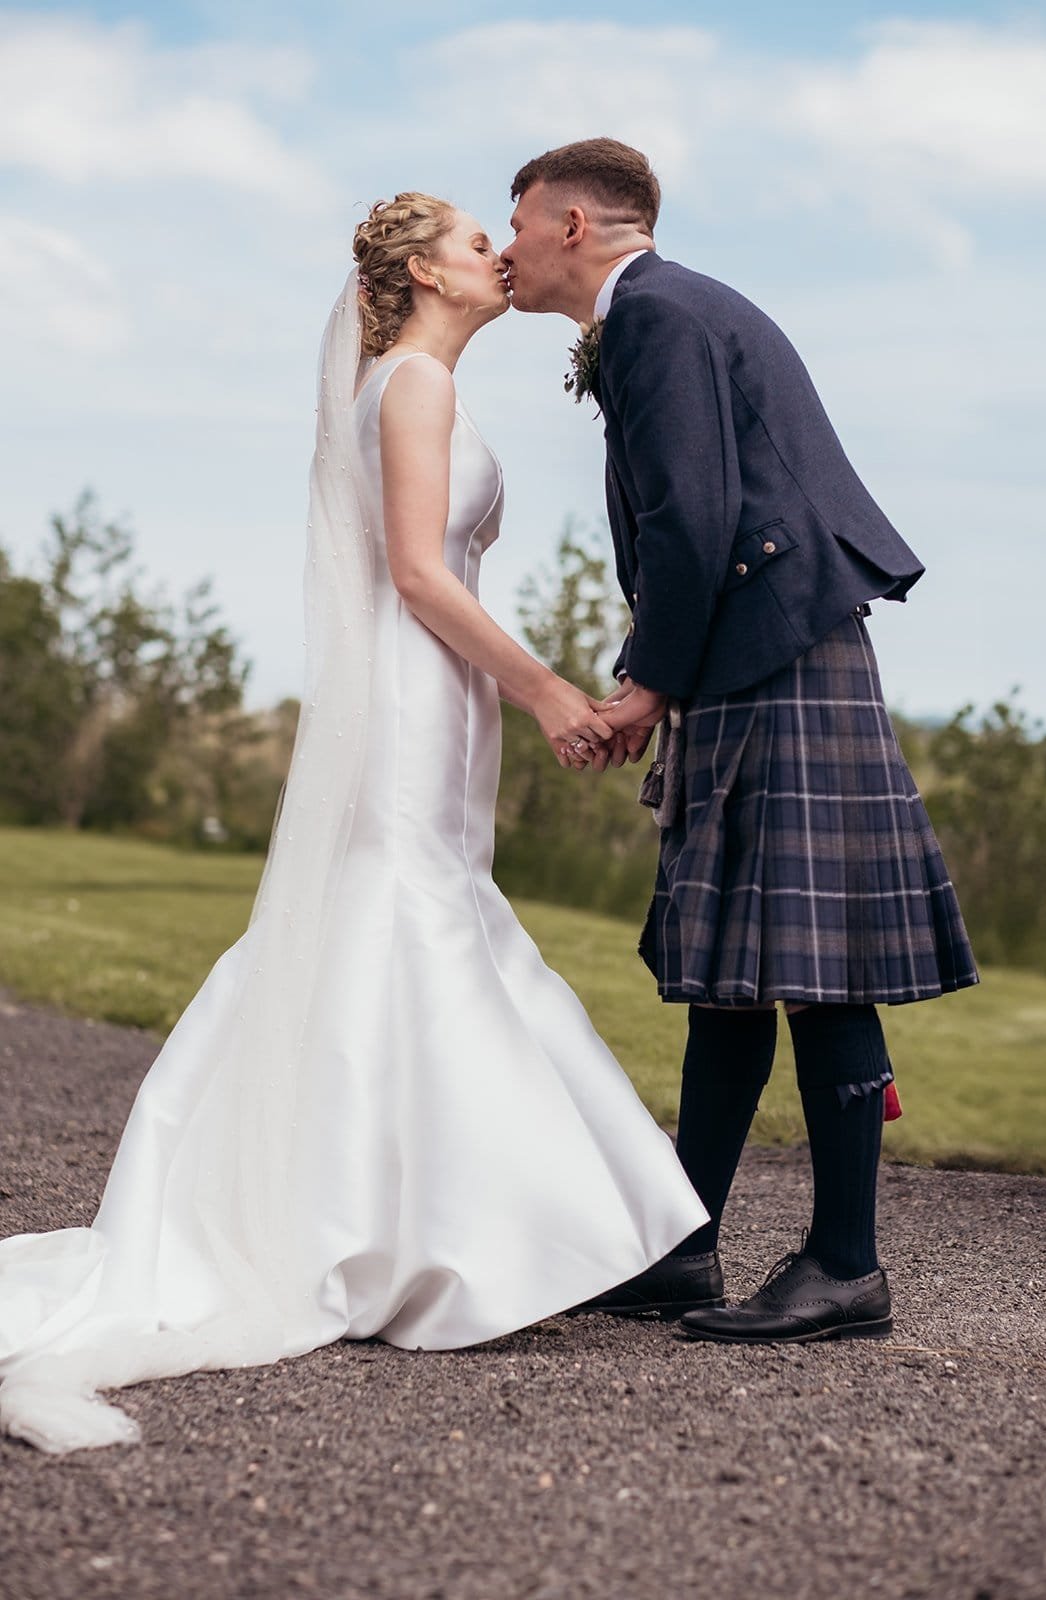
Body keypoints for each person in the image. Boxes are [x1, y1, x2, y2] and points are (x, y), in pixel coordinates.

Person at [0, 193, 708, 1454]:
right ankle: (447, 1234)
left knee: (404, 920)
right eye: (471, 238)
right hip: (413, 688)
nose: (498, 250)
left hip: (432, 692)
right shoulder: (412, 389)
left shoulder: (406, 381)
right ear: (422, 272)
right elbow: (420, 574)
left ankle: (398, 1213)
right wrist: (545, 688)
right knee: (418, 921)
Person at [502, 139, 978, 1344]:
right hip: (759, 650)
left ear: (569, 222)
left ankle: (845, 1263)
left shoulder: (657, 314)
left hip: (771, 652)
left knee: (812, 964)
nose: (503, 251)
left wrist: (643, 686)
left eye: (515, 224)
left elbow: (691, 517)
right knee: (732, 969)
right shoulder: (668, 310)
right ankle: (683, 1243)